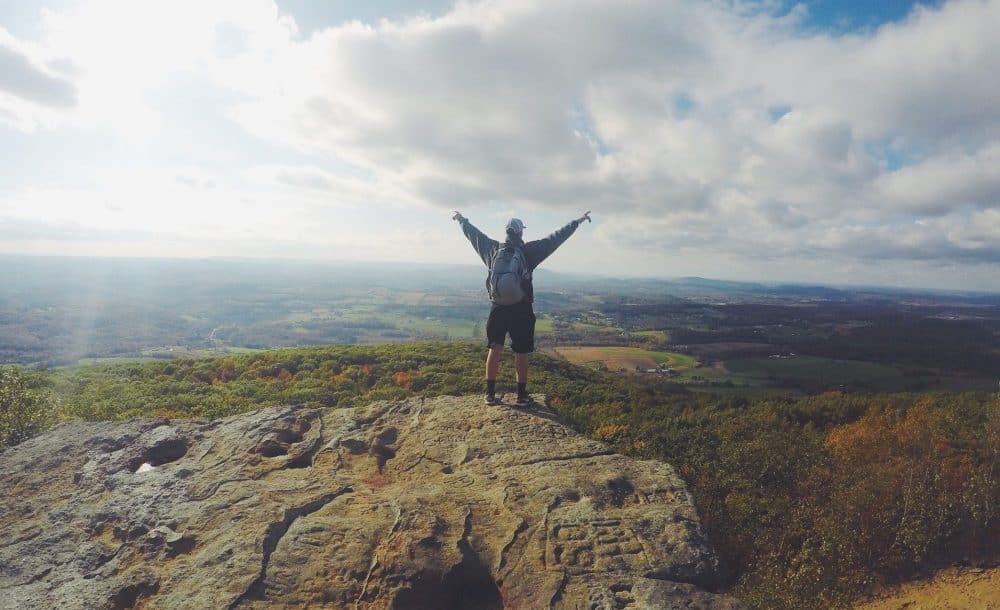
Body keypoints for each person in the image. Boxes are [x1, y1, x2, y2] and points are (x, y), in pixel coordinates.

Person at [452, 210, 592, 406]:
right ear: (520, 233)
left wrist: (461, 220)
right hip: (521, 308)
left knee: (495, 349)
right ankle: (521, 396)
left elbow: (473, 234)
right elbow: (555, 238)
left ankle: (490, 395)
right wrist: (576, 222)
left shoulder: (492, 249)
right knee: (521, 353)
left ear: (506, 232)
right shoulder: (529, 251)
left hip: (498, 307)